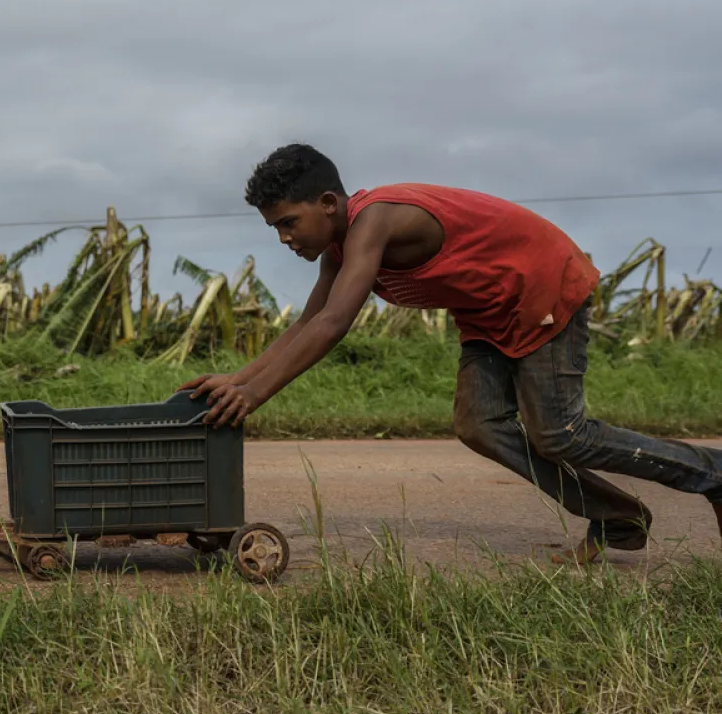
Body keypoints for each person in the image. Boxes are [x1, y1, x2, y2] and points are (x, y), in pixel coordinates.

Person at [180, 143, 722, 563]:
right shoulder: (338, 247)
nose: (284, 239)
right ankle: (616, 517)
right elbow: (306, 322)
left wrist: (254, 394)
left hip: (542, 287)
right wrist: (239, 377)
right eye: (275, 228)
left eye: (288, 223)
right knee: (479, 425)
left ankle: (710, 473)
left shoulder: (376, 220)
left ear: (328, 203)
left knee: (561, 433)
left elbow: (333, 324)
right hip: (489, 313)